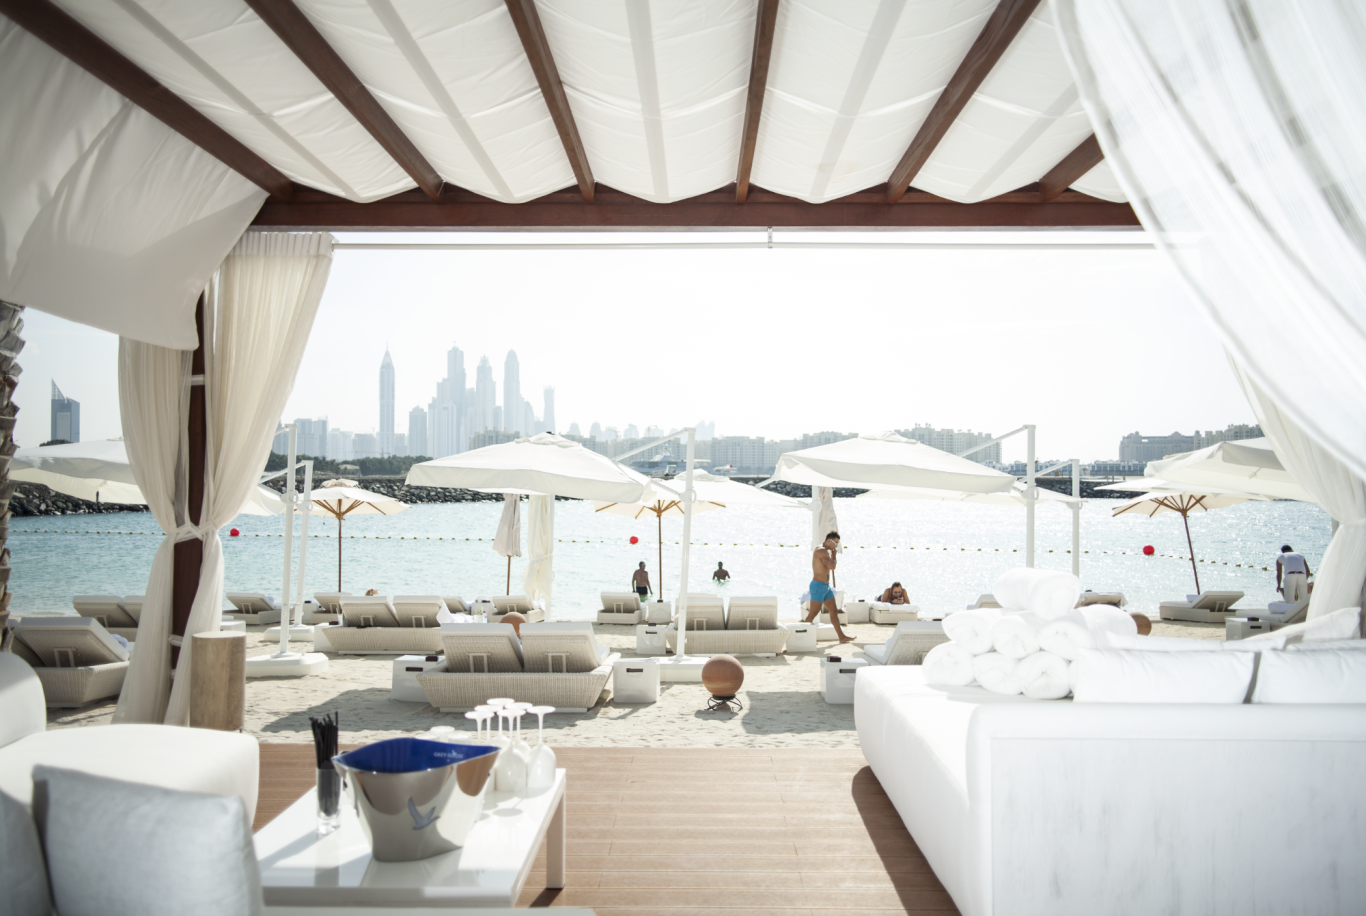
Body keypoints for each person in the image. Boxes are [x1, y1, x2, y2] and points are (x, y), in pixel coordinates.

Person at [805, 531, 854, 643]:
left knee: (834, 611)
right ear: (828, 541)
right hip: (818, 586)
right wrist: (834, 556)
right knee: (813, 614)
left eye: (837, 544)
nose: (836, 546)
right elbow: (832, 566)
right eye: (835, 543)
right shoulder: (821, 550)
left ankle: (841, 637)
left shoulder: (825, 550)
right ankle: (801, 637)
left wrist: (832, 556)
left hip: (826, 587)